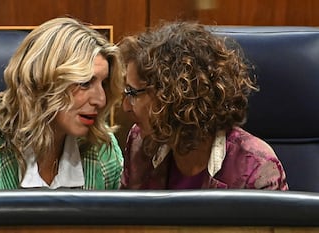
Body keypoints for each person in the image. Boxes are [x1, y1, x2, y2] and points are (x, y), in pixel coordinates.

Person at [0, 17, 125, 191]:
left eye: (104, 83)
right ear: (42, 82)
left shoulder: (103, 150)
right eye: (84, 83)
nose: (100, 100)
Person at [118, 20, 289, 190]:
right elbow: (126, 215)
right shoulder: (140, 144)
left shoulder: (257, 168)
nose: (125, 106)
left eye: (133, 93)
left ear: (173, 96)